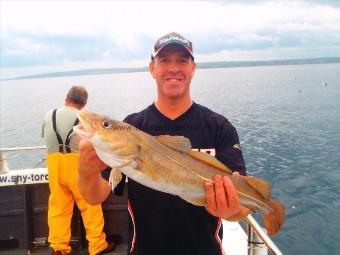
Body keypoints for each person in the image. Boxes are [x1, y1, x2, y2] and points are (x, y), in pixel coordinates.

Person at [78, 33, 250, 255]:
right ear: (152, 69)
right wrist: (86, 171)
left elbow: (243, 205)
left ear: (193, 68)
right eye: (164, 60)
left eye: (182, 60)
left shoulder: (219, 127)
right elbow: (94, 196)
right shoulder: (133, 125)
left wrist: (232, 210)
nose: (174, 68)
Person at [41, 86, 116, 255]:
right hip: (76, 164)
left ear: (66, 97)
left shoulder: (48, 115)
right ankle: (97, 246)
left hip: (54, 164)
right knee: (90, 205)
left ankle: (59, 248)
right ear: (84, 104)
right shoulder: (84, 118)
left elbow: (47, 139)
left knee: (58, 207)